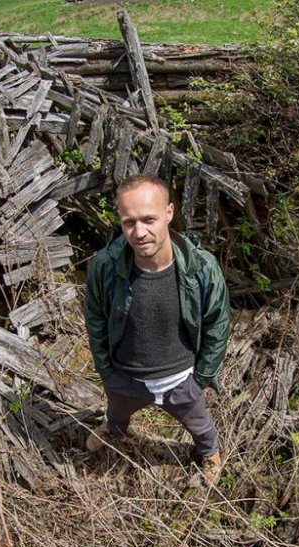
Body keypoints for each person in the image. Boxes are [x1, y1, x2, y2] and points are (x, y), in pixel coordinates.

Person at [83, 173, 230, 485]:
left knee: (200, 424)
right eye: (128, 222)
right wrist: (107, 371)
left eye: (149, 219)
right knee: (117, 413)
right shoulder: (105, 266)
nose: (139, 232)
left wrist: (201, 377)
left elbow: (217, 322)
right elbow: (95, 318)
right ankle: (115, 430)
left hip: (180, 379)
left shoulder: (201, 268)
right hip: (125, 376)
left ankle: (210, 453)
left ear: (169, 213)